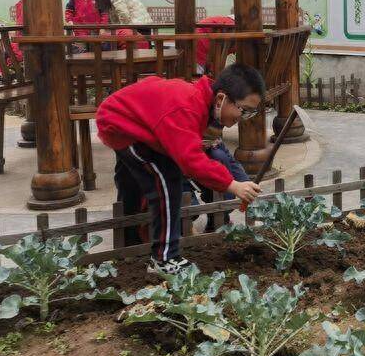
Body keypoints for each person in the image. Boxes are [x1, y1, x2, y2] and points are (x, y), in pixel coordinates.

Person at [95, 63, 263, 275]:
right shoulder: (187, 107)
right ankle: (164, 258)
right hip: (122, 125)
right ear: (221, 99)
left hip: (142, 126)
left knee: (143, 181)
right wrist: (233, 184)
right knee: (165, 183)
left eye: (249, 113)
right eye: (243, 110)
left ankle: (132, 244)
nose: (242, 118)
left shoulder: (201, 103)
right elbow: (191, 160)